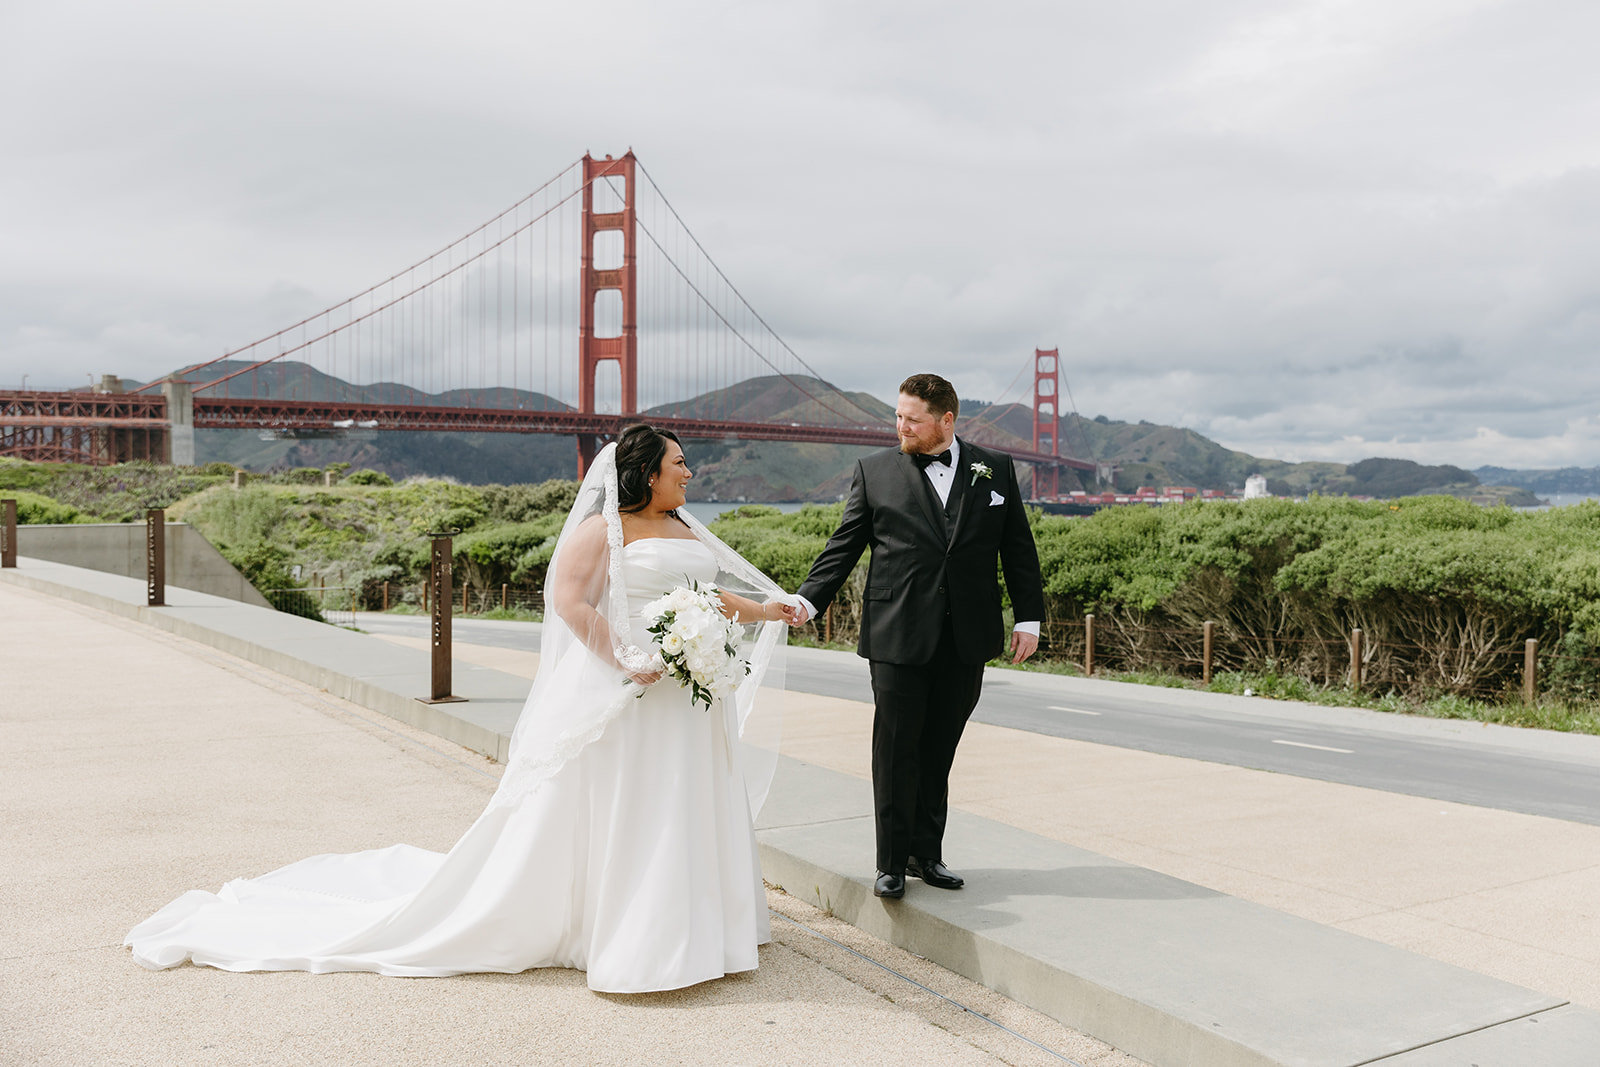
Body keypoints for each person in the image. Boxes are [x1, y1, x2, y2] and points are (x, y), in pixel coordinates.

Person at [126, 426, 801, 992]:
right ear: (649, 473)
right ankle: (639, 935)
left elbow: (706, 598)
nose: (691, 470)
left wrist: (768, 608)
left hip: (689, 693)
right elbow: (570, 603)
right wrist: (624, 659)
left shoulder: (684, 523)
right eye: (680, 462)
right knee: (642, 807)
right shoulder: (604, 528)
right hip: (634, 691)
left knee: (688, 800)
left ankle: (705, 927)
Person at [792, 373, 1045, 899]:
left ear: (946, 421)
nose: (900, 427)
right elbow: (844, 546)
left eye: (913, 419)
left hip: (967, 637)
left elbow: (1017, 547)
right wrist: (808, 600)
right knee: (894, 749)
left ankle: (926, 854)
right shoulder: (875, 470)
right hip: (897, 635)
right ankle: (889, 862)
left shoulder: (994, 469)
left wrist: (1028, 617)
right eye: (898, 416)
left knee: (939, 749)